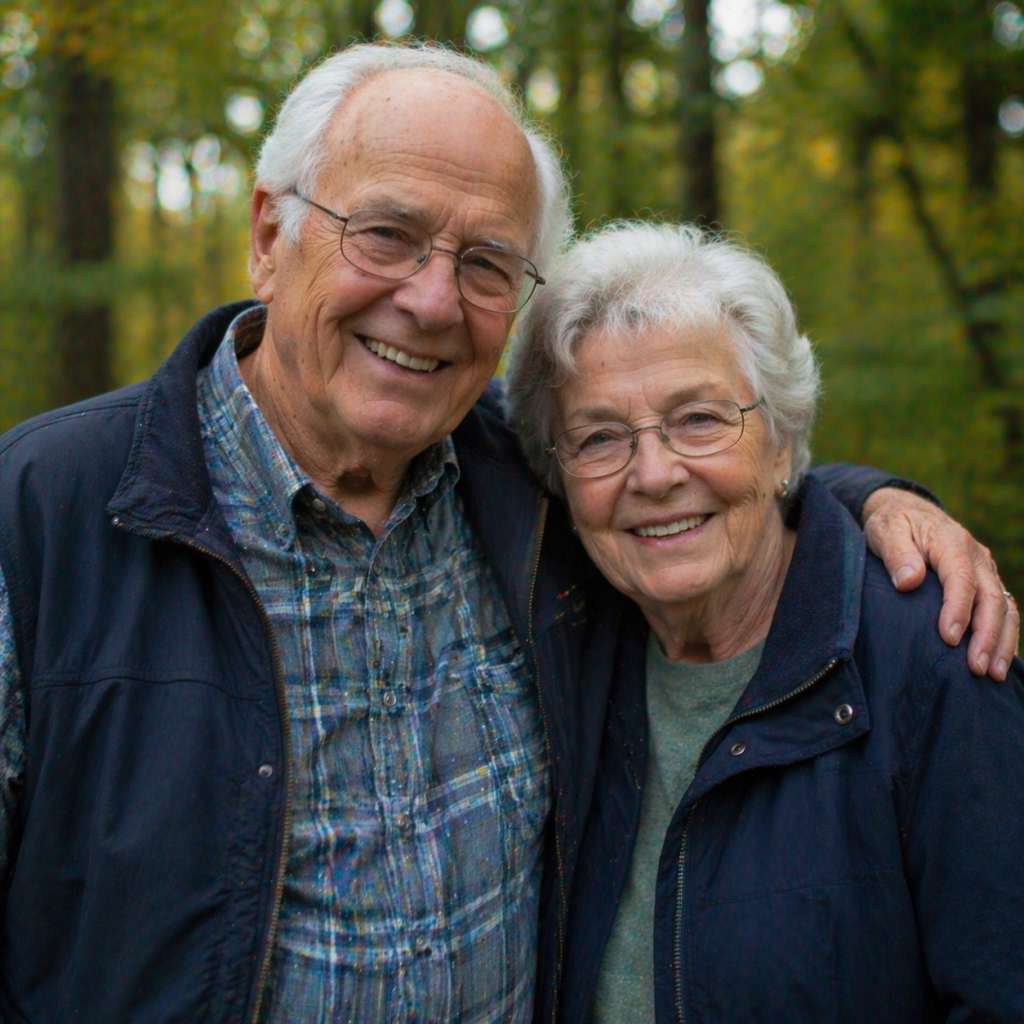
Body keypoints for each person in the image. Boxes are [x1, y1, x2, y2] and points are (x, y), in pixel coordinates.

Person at [0, 44, 1013, 1024]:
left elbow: (699, 494)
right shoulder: (43, 516)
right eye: (385, 234)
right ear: (269, 235)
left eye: (486, 262)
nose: (432, 299)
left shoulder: (522, 501)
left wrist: (871, 499)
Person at [506, 221, 1024, 1023]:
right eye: (600, 438)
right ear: (560, 479)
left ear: (782, 440)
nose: (654, 473)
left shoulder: (937, 660)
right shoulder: (563, 648)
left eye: (700, 420)